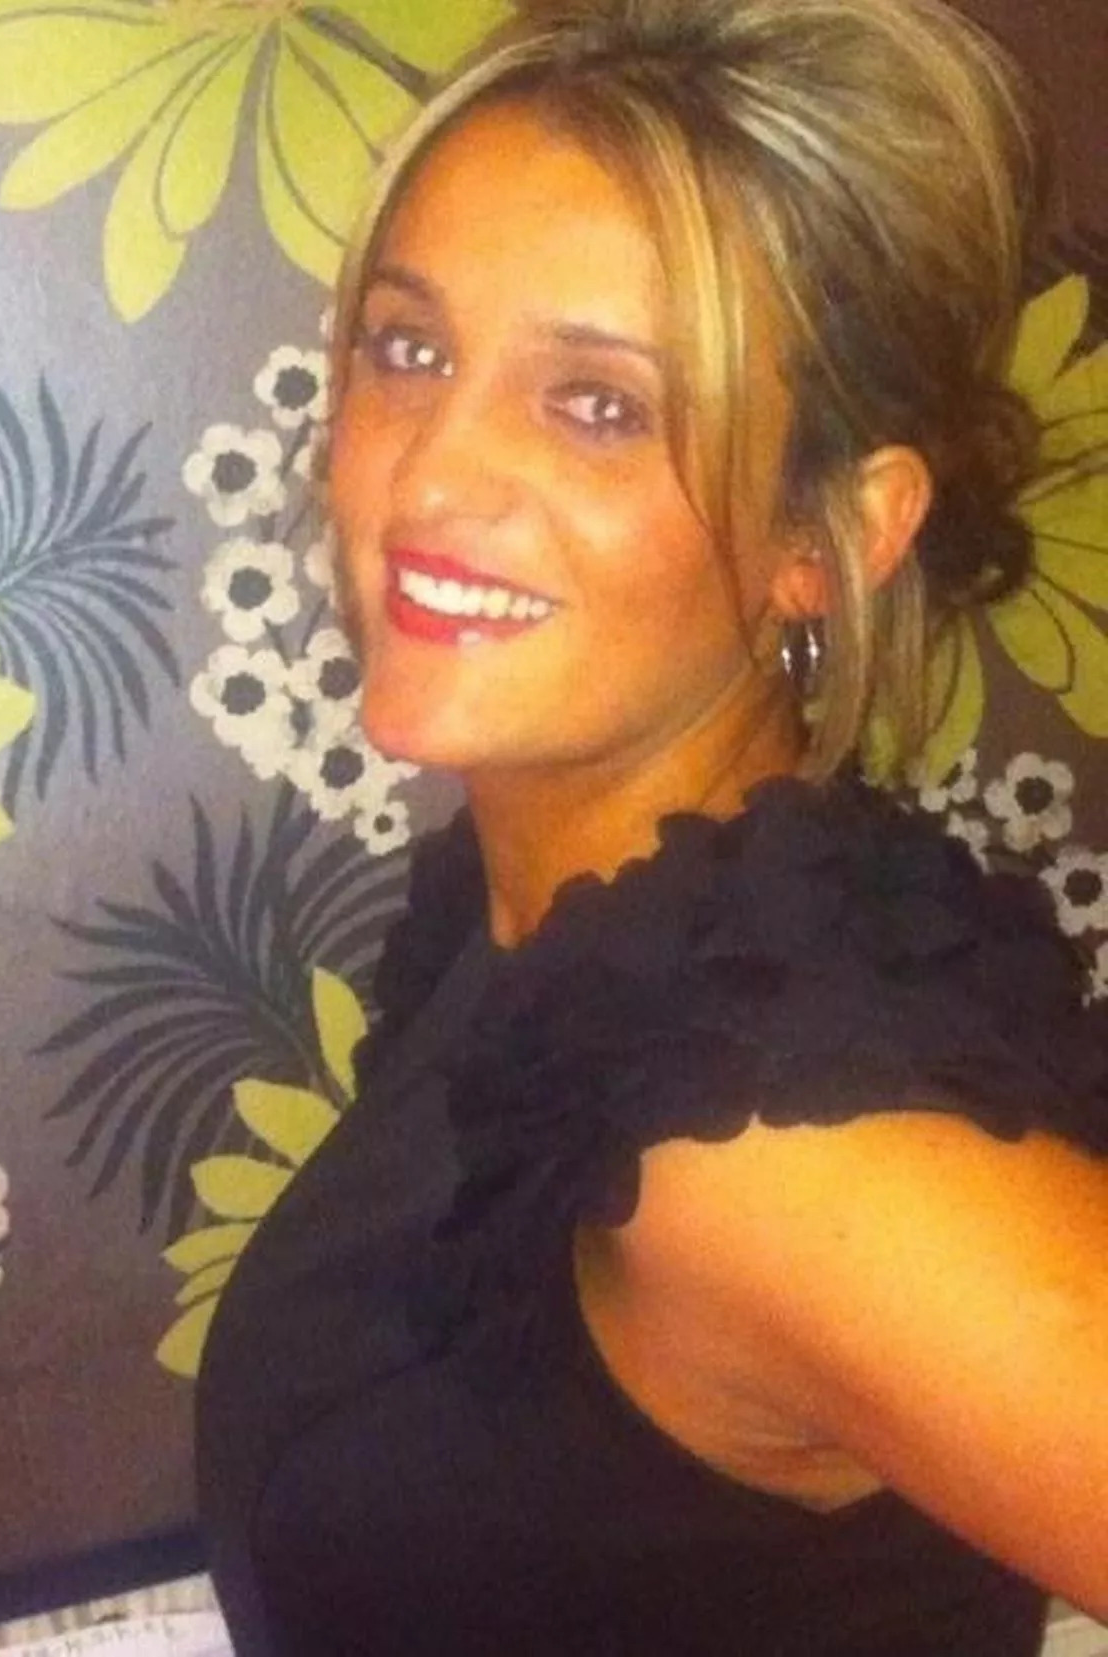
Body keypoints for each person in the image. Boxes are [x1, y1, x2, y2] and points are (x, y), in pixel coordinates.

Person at [196, 1, 1108, 1650]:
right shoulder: (578, 925)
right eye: (409, 348)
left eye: (599, 404)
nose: (428, 480)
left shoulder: (785, 1141)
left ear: (826, 538)